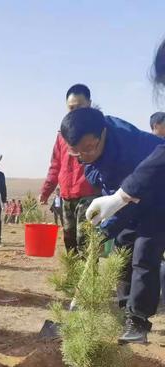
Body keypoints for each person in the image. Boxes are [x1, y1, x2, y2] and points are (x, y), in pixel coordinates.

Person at [60, 107, 164, 344]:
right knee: (123, 248)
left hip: (159, 197)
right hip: (131, 201)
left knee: (144, 253)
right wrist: (106, 229)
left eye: (88, 149)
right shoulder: (88, 153)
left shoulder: (129, 144)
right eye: (76, 153)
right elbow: (114, 193)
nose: (83, 156)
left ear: (102, 134)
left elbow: (139, 186)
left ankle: (138, 320)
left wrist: (119, 200)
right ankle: (125, 311)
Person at [39, 84, 99, 252]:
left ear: (89, 104)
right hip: (66, 196)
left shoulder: (99, 131)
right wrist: (46, 191)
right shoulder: (62, 135)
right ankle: (72, 277)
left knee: (85, 244)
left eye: (79, 107)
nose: (75, 112)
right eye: (71, 108)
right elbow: (55, 165)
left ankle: (87, 278)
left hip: (89, 195)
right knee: (69, 243)